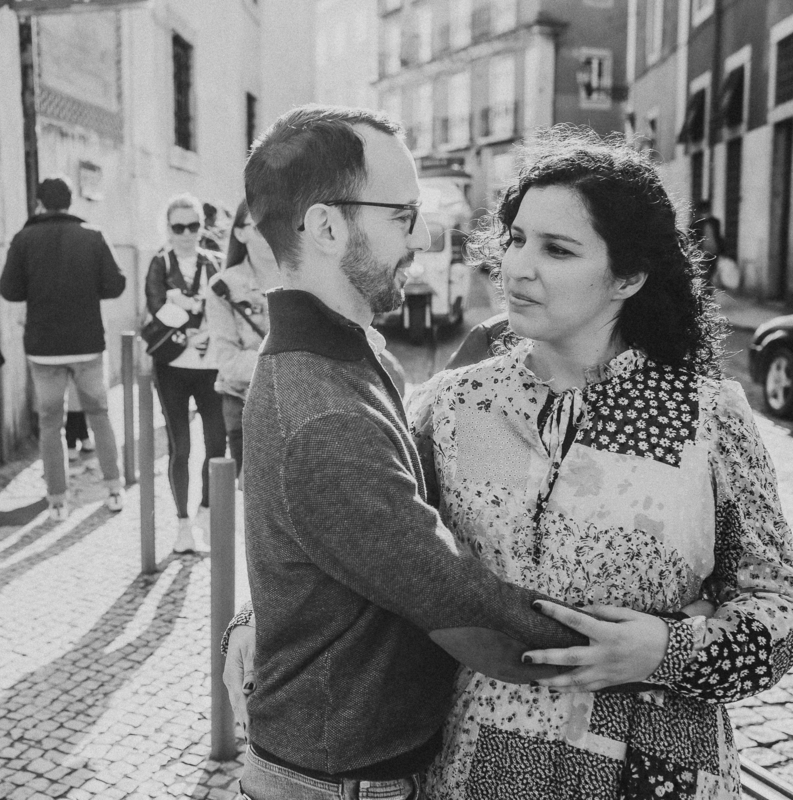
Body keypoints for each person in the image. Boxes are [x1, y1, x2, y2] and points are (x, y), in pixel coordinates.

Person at [227, 126, 793, 798]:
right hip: (478, 768)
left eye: (557, 249)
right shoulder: (456, 404)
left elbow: (776, 611)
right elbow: (366, 536)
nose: (518, 267)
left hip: (653, 770)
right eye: (517, 239)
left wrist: (666, 651)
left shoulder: (708, 417)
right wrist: (258, 616)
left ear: (630, 275)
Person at [223, 105, 592, 800]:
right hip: (337, 783)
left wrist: (256, 613)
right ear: (327, 228)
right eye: (403, 216)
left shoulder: (344, 357)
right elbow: (457, 606)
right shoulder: (326, 415)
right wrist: (642, 650)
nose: (422, 237)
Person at [0, 175, 127, 520]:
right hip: (87, 344)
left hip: (44, 348)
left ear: (39, 204)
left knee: (50, 424)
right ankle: (114, 489)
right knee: (99, 415)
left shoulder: (24, 239)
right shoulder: (92, 235)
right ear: (70, 203)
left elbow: (9, 290)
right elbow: (116, 284)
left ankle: (57, 500)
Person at [146, 194, 227, 553]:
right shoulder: (160, 262)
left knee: (216, 444)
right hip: (172, 367)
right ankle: (182, 524)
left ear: (201, 226)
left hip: (211, 367)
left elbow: (224, 309)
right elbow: (157, 308)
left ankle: (205, 513)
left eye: (193, 226)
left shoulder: (215, 261)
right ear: (168, 228)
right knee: (181, 447)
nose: (186, 234)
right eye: (178, 227)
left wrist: (183, 303)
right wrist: (196, 311)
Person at [205, 200, 280, 473]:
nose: (271, 234)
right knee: (254, 493)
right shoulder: (223, 286)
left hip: (301, 405)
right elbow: (228, 361)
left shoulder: (304, 280)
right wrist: (290, 363)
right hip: (245, 404)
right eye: (261, 228)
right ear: (240, 233)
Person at [692, 198, 725, 288]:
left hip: (714, 251)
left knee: (711, 273)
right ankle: (706, 292)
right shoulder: (696, 224)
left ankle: (708, 292)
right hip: (703, 252)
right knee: (705, 274)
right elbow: (693, 239)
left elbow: (718, 237)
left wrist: (722, 250)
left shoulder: (715, 222)